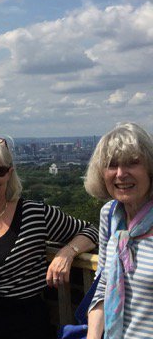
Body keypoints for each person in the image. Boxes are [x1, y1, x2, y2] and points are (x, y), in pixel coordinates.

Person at [0, 137, 99, 339]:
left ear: (10, 173)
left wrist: (68, 253)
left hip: (25, 328)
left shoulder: (34, 214)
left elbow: (91, 230)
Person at [85, 123, 153, 339]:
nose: (121, 174)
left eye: (132, 163)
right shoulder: (111, 214)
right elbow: (104, 281)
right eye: (112, 165)